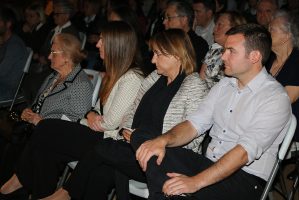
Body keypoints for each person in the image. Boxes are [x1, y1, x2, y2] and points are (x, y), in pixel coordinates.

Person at [43, 28, 209, 200]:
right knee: (101, 172)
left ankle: (64, 194)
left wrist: (153, 141)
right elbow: (132, 112)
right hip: (131, 146)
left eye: (158, 54)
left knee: (101, 147)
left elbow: (193, 135)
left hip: (163, 158)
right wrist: (126, 132)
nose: (152, 60)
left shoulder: (194, 85)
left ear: (176, 55)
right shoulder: (154, 78)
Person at [132, 23, 292, 200]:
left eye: (231, 51)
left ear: (254, 57)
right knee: (148, 141)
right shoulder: (224, 85)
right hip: (208, 164)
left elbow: (243, 153)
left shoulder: (275, 98)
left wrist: (195, 182)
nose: (223, 56)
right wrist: (163, 140)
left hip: (245, 179)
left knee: (165, 177)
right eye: (225, 50)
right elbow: (194, 124)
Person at [0, 21, 146, 200]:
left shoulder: (132, 78)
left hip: (109, 141)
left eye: (102, 40)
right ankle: (41, 195)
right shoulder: (114, 74)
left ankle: (21, 179)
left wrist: (88, 117)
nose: (97, 44)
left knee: (46, 128)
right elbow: (94, 111)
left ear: (116, 45)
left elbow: (109, 123)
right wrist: (90, 115)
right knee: (46, 148)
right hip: (96, 133)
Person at [266, 11, 299, 177]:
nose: (267, 32)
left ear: (287, 36)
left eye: (271, 29)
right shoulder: (267, 60)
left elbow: (285, 100)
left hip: (289, 129)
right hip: (265, 121)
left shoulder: (298, 61)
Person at [200, 11, 247, 88]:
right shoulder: (214, 49)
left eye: (220, 25)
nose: (214, 29)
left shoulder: (240, 53)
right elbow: (201, 79)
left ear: (234, 28)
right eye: (216, 25)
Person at [163, 0, 208, 72]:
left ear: (184, 20)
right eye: (164, 18)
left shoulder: (198, 45)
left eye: (169, 18)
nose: (164, 22)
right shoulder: (165, 39)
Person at [0, 6, 28, 102]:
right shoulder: (5, 42)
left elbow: (2, 71)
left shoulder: (15, 45)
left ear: (8, 24)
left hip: (7, 89)